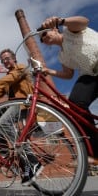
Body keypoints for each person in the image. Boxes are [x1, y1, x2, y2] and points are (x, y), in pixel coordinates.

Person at [0, 48, 44, 186]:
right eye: (3, 60)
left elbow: (12, 78)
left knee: (4, 121)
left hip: (25, 103)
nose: (5, 61)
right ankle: (3, 149)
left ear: (14, 58)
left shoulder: (21, 68)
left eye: (7, 58)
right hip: (15, 105)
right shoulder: (8, 76)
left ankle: (33, 160)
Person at [39, 16, 98, 164]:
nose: (44, 39)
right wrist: (48, 71)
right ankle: (95, 151)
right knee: (75, 104)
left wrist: (61, 21)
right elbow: (68, 74)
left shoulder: (69, 31)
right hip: (90, 75)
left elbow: (84, 21)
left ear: (54, 29)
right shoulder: (62, 55)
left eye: (45, 34)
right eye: (42, 39)